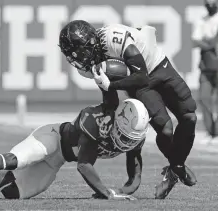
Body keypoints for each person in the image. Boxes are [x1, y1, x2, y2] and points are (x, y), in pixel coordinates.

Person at [59, 20, 197, 199]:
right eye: (73, 56)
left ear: (91, 41)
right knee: (165, 128)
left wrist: (111, 85)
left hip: (156, 65)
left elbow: (142, 76)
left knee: (189, 116)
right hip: (137, 84)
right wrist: (109, 114)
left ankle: (175, 167)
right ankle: (178, 167)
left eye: (80, 52)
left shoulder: (112, 38)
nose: (79, 59)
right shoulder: (89, 67)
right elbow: (110, 96)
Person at [0, 98, 149, 200]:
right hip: (53, 138)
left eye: (131, 138)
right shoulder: (96, 120)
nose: (126, 141)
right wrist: (106, 193)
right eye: (123, 134)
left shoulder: (133, 137)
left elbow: (135, 178)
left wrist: (123, 192)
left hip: (57, 161)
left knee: (13, 194)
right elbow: (84, 165)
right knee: (14, 160)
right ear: (117, 121)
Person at [192, 0, 218, 143]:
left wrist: (206, 42)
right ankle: (212, 132)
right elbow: (195, 41)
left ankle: (217, 133)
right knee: (203, 98)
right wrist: (210, 44)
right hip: (206, 65)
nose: (210, 4)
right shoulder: (202, 20)